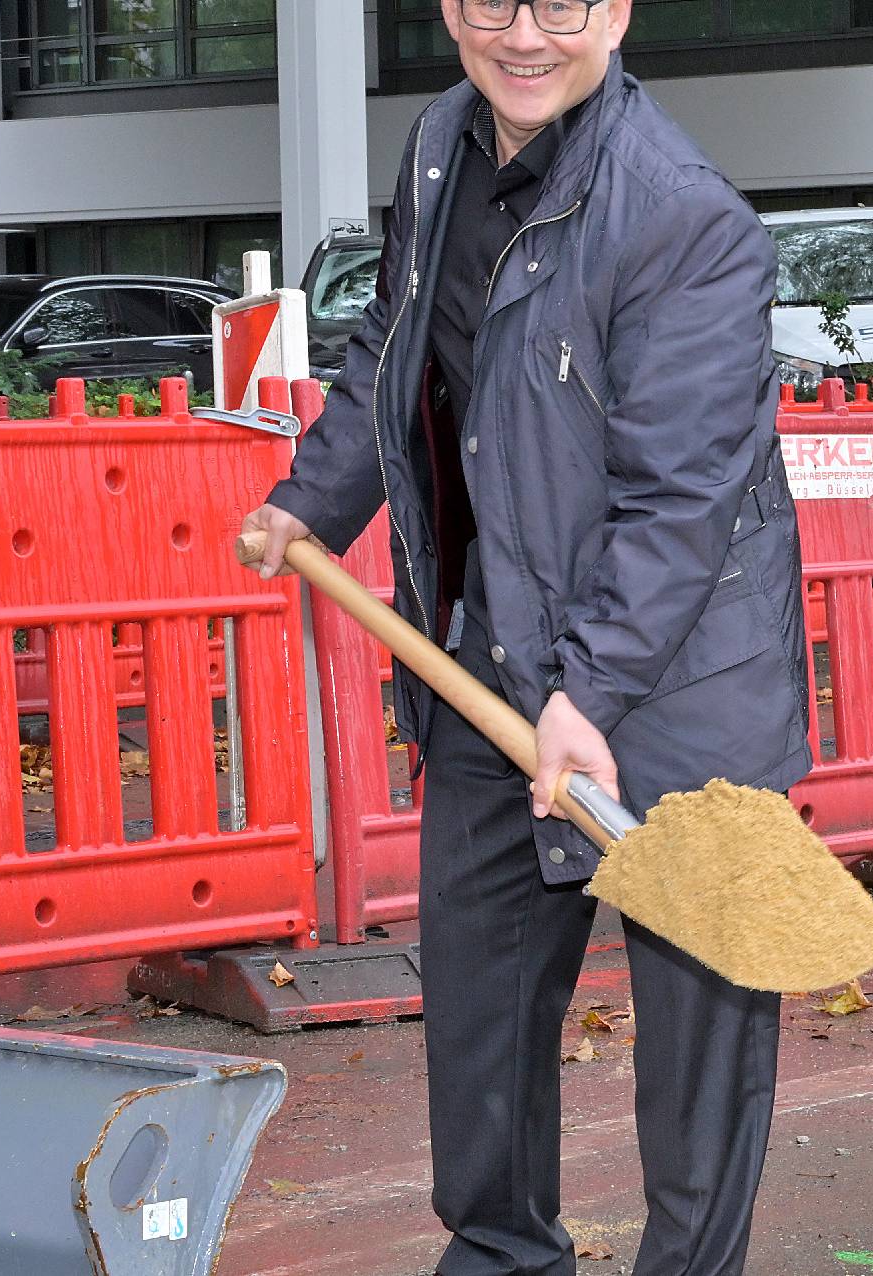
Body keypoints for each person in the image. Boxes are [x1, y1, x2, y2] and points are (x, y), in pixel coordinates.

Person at [238, 0, 809, 1271]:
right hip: (498, 657)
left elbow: (678, 502)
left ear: (616, 10)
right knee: (482, 1005)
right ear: (449, 7)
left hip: (683, 686)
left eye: (562, 3)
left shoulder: (684, 217)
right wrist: (309, 498)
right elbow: (391, 347)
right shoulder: (443, 144)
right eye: (493, 0)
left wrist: (591, 691)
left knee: (698, 1042)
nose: (524, 35)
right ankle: (501, 1254)